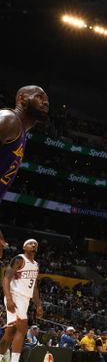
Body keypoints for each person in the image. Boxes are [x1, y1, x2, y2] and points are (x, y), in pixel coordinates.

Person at [0, 86, 49, 257]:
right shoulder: (8, 119)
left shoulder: (20, 132)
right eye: (39, 97)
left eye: (47, 100)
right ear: (21, 98)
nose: (45, 102)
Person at [0, 239, 43, 362]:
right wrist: (9, 299)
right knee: (22, 327)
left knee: (10, 333)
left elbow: (34, 286)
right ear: (24, 247)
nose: (34, 245)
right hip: (15, 296)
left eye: (35, 244)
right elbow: (6, 278)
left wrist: (38, 305)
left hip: (25, 299)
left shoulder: (36, 265)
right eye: (30, 243)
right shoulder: (19, 259)